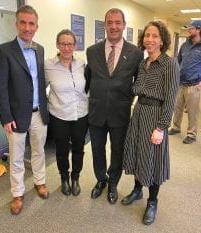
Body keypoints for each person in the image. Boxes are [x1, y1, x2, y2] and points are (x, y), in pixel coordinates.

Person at [0, 5, 49, 215]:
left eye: (31, 23)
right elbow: (0, 87)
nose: (27, 27)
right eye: (23, 22)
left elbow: (39, 81)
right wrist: (5, 116)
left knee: (39, 151)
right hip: (15, 116)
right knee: (16, 157)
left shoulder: (40, 49)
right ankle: (17, 193)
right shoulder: (3, 51)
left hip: (39, 112)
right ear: (16, 24)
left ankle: (40, 182)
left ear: (37, 26)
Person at [122, 21, 179, 225]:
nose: (150, 40)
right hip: (139, 112)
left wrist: (161, 127)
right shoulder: (142, 63)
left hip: (155, 116)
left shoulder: (170, 64)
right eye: (147, 35)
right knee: (137, 152)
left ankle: (152, 201)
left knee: (153, 159)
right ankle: (137, 190)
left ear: (162, 40)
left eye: (155, 36)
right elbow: (136, 87)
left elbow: (171, 98)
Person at [85, 8, 143, 204]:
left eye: (118, 22)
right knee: (97, 150)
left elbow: (139, 83)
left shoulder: (135, 53)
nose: (114, 26)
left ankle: (113, 183)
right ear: (104, 26)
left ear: (124, 25)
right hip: (96, 112)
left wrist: (128, 97)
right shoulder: (92, 51)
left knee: (118, 151)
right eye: (109, 22)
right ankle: (101, 180)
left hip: (120, 112)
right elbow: (88, 79)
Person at [45, 29, 88, 196]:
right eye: (63, 44)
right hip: (59, 115)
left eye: (70, 44)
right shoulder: (48, 66)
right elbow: (40, 88)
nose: (66, 47)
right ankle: (64, 177)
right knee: (61, 150)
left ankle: (75, 177)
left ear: (75, 46)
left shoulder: (81, 64)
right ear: (57, 45)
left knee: (78, 148)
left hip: (81, 114)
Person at [168, 20, 201, 144]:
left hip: (194, 84)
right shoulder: (185, 45)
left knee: (192, 111)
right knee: (177, 108)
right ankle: (176, 127)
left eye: (191, 28)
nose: (189, 30)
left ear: (199, 29)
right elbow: (178, 61)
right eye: (188, 28)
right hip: (180, 83)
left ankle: (192, 134)